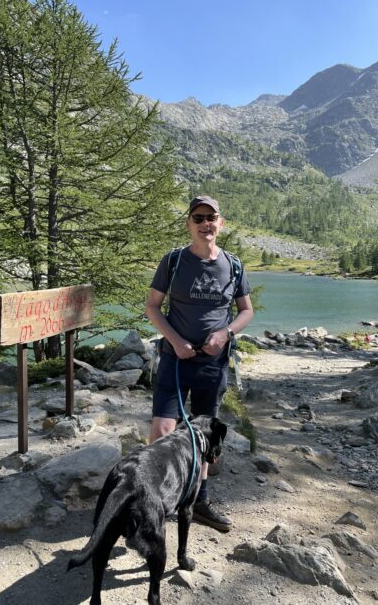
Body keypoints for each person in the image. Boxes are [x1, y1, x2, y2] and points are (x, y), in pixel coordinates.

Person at [145, 195, 254, 531]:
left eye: (212, 217)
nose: (205, 223)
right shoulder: (174, 261)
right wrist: (176, 341)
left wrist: (225, 334)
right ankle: (152, 501)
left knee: (204, 438)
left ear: (220, 223)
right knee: (163, 430)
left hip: (213, 364)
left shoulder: (233, 265)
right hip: (174, 361)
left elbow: (246, 311)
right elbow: (152, 307)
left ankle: (199, 501)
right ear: (189, 224)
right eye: (198, 217)